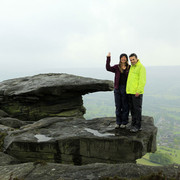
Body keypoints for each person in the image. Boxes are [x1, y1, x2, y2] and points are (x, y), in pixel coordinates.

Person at [106, 52, 130, 129]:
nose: (123, 59)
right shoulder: (117, 67)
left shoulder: (129, 67)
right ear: (120, 59)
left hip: (125, 89)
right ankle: (118, 122)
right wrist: (108, 58)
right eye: (122, 57)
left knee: (125, 106)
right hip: (117, 88)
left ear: (126, 59)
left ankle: (124, 122)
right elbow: (108, 68)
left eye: (124, 57)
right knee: (118, 106)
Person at [126, 53, 146, 132]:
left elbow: (142, 81)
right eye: (130, 60)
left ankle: (138, 126)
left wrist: (139, 91)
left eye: (133, 59)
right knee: (132, 109)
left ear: (137, 58)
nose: (132, 61)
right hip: (130, 92)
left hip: (136, 93)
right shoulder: (132, 67)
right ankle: (133, 124)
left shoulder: (141, 67)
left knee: (137, 109)